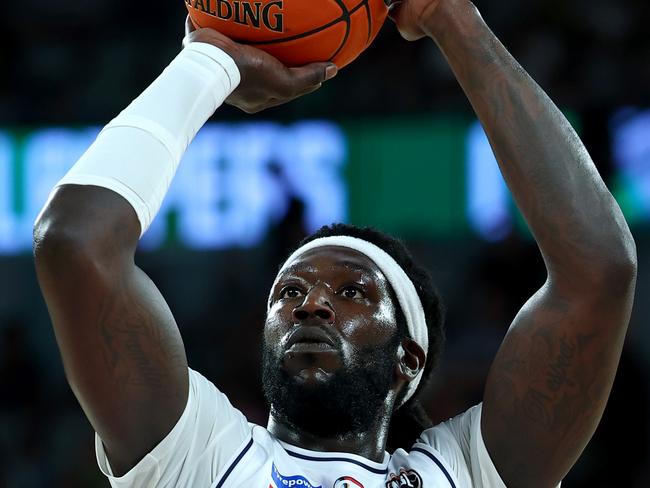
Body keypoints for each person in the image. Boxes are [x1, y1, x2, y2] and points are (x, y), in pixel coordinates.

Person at [33, 0, 637, 486]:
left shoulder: (464, 473)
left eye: (352, 292)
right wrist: (210, 60)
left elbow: (599, 273)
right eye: (288, 291)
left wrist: (454, 20)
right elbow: (74, 242)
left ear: (409, 361)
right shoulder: (199, 454)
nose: (310, 304)